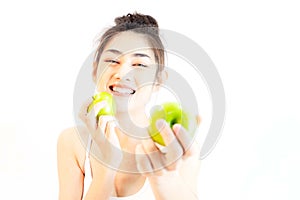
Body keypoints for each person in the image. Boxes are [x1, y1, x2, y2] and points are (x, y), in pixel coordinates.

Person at [57, 12, 201, 200]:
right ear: (94, 70)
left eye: (140, 64)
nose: (123, 73)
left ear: (158, 80)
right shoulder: (72, 142)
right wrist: (104, 175)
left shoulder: (175, 145)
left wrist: (164, 179)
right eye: (112, 61)